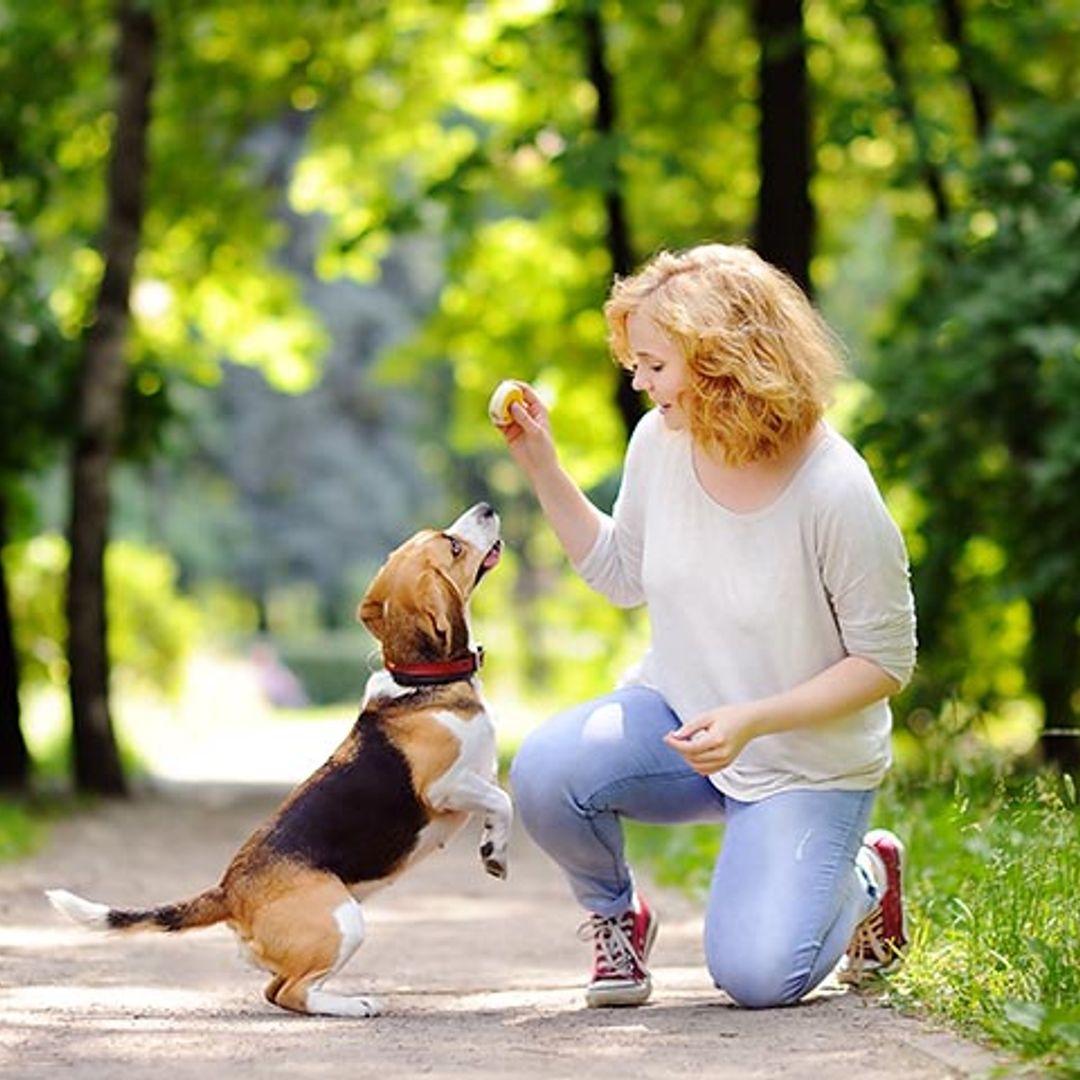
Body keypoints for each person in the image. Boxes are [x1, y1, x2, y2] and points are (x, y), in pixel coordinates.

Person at [493, 242, 917, 1010]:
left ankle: (866, 875)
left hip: (803, 760)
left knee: (758, 979)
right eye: (634, 362)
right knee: (548, 773)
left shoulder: (836, 488)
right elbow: (621, 574)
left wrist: (755, 720)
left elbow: (886, 662)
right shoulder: (661, 441)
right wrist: (543, 467)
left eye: (654, 364)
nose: (638, 380)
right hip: (681, 724)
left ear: (723, 360)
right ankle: (617, 919)